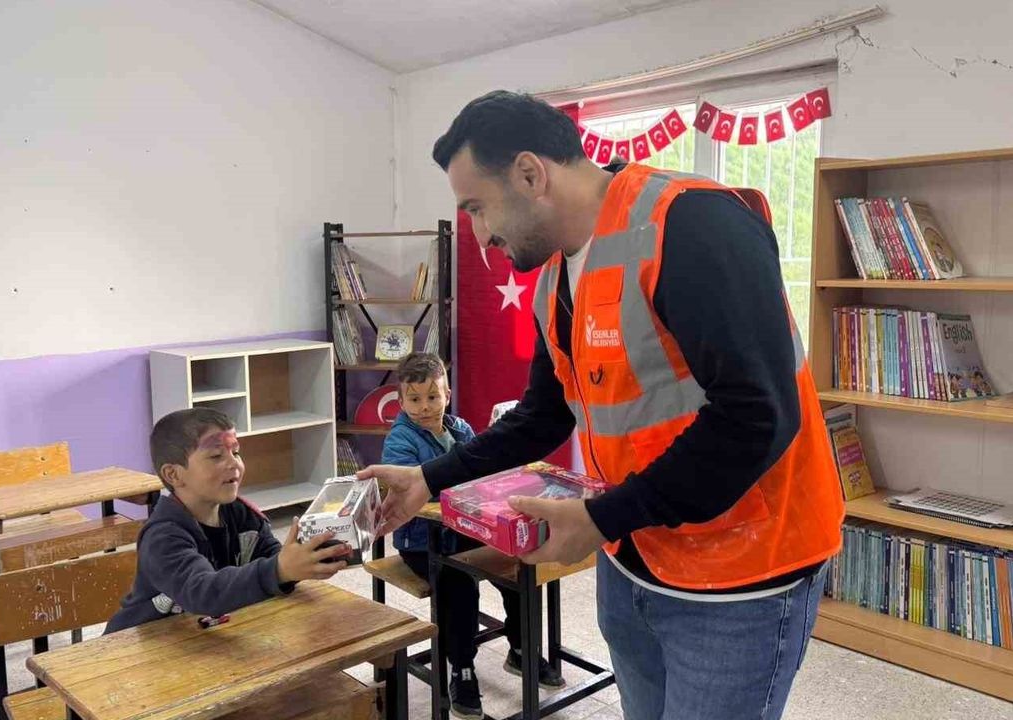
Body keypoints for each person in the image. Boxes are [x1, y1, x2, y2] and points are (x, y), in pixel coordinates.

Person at [358, 90, 845, 720]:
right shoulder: (559, 277)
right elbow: (542, 415)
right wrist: (427, 476)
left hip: (741, 574)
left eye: (477, 207)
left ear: (531, 174)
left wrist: (606, 515)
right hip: (634, 557)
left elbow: (759, 416)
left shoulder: (692, 222)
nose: (478, 235)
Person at [383, 352, 563, 719]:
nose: (424, 407)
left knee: (519, 563)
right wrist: (456, 487)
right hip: (423, 542)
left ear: (447, 394)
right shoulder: (400, 440)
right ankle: (461, 668)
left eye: (433, 396)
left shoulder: (461, 429)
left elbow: (481, 475)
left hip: (467, 532)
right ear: (400, 402)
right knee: (458, 584)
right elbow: (415, 495)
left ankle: (521, 648)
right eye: (414, 399)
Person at [106, 408, 349, 633]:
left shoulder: (242, 515)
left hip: (199, 639)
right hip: (138, 649)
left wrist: (307, 559)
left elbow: (272, 561)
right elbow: (204, 593)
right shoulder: (162, 535)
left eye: (236, 452)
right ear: (174, 474)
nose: (234, 463)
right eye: (215, 455)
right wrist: (280, 569)